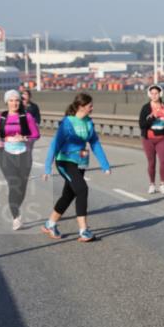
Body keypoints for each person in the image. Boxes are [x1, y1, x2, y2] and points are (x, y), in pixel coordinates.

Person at [41, 93, 111, 242]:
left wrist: (105, 164)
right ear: (81, 106)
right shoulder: (67, 122)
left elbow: (95, 143)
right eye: (90, 106)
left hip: (80, 161)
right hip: (65, 162)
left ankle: (50, 224)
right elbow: (55, 144)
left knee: (69, 194)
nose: (92, 108)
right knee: (82, 189)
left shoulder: (88, 122)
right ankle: (83, 230)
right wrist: (47, 167)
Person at [0, 90, 40, 230]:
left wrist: (25, 138)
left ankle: (16, 207)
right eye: (11, 100)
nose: (14, 103)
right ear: (6, 102)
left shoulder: (27, 116)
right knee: (13, 184)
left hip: (24, 154)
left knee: (21, 187)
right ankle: (16, 217)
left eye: (16, 100)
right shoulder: (0, 117)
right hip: (5, 154)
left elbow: (36, 134)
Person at [138, 84, 164, 194]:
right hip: (148, 139)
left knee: (163, 161)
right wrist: (152, 116)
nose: (154, 95)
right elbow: (142, 124)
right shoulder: (146, 108)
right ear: (149, 95)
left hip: (162, 138)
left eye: (156, 93)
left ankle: (162, 184)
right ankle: (152, 184)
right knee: (151, 162)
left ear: (160, 94)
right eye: (152, 93)